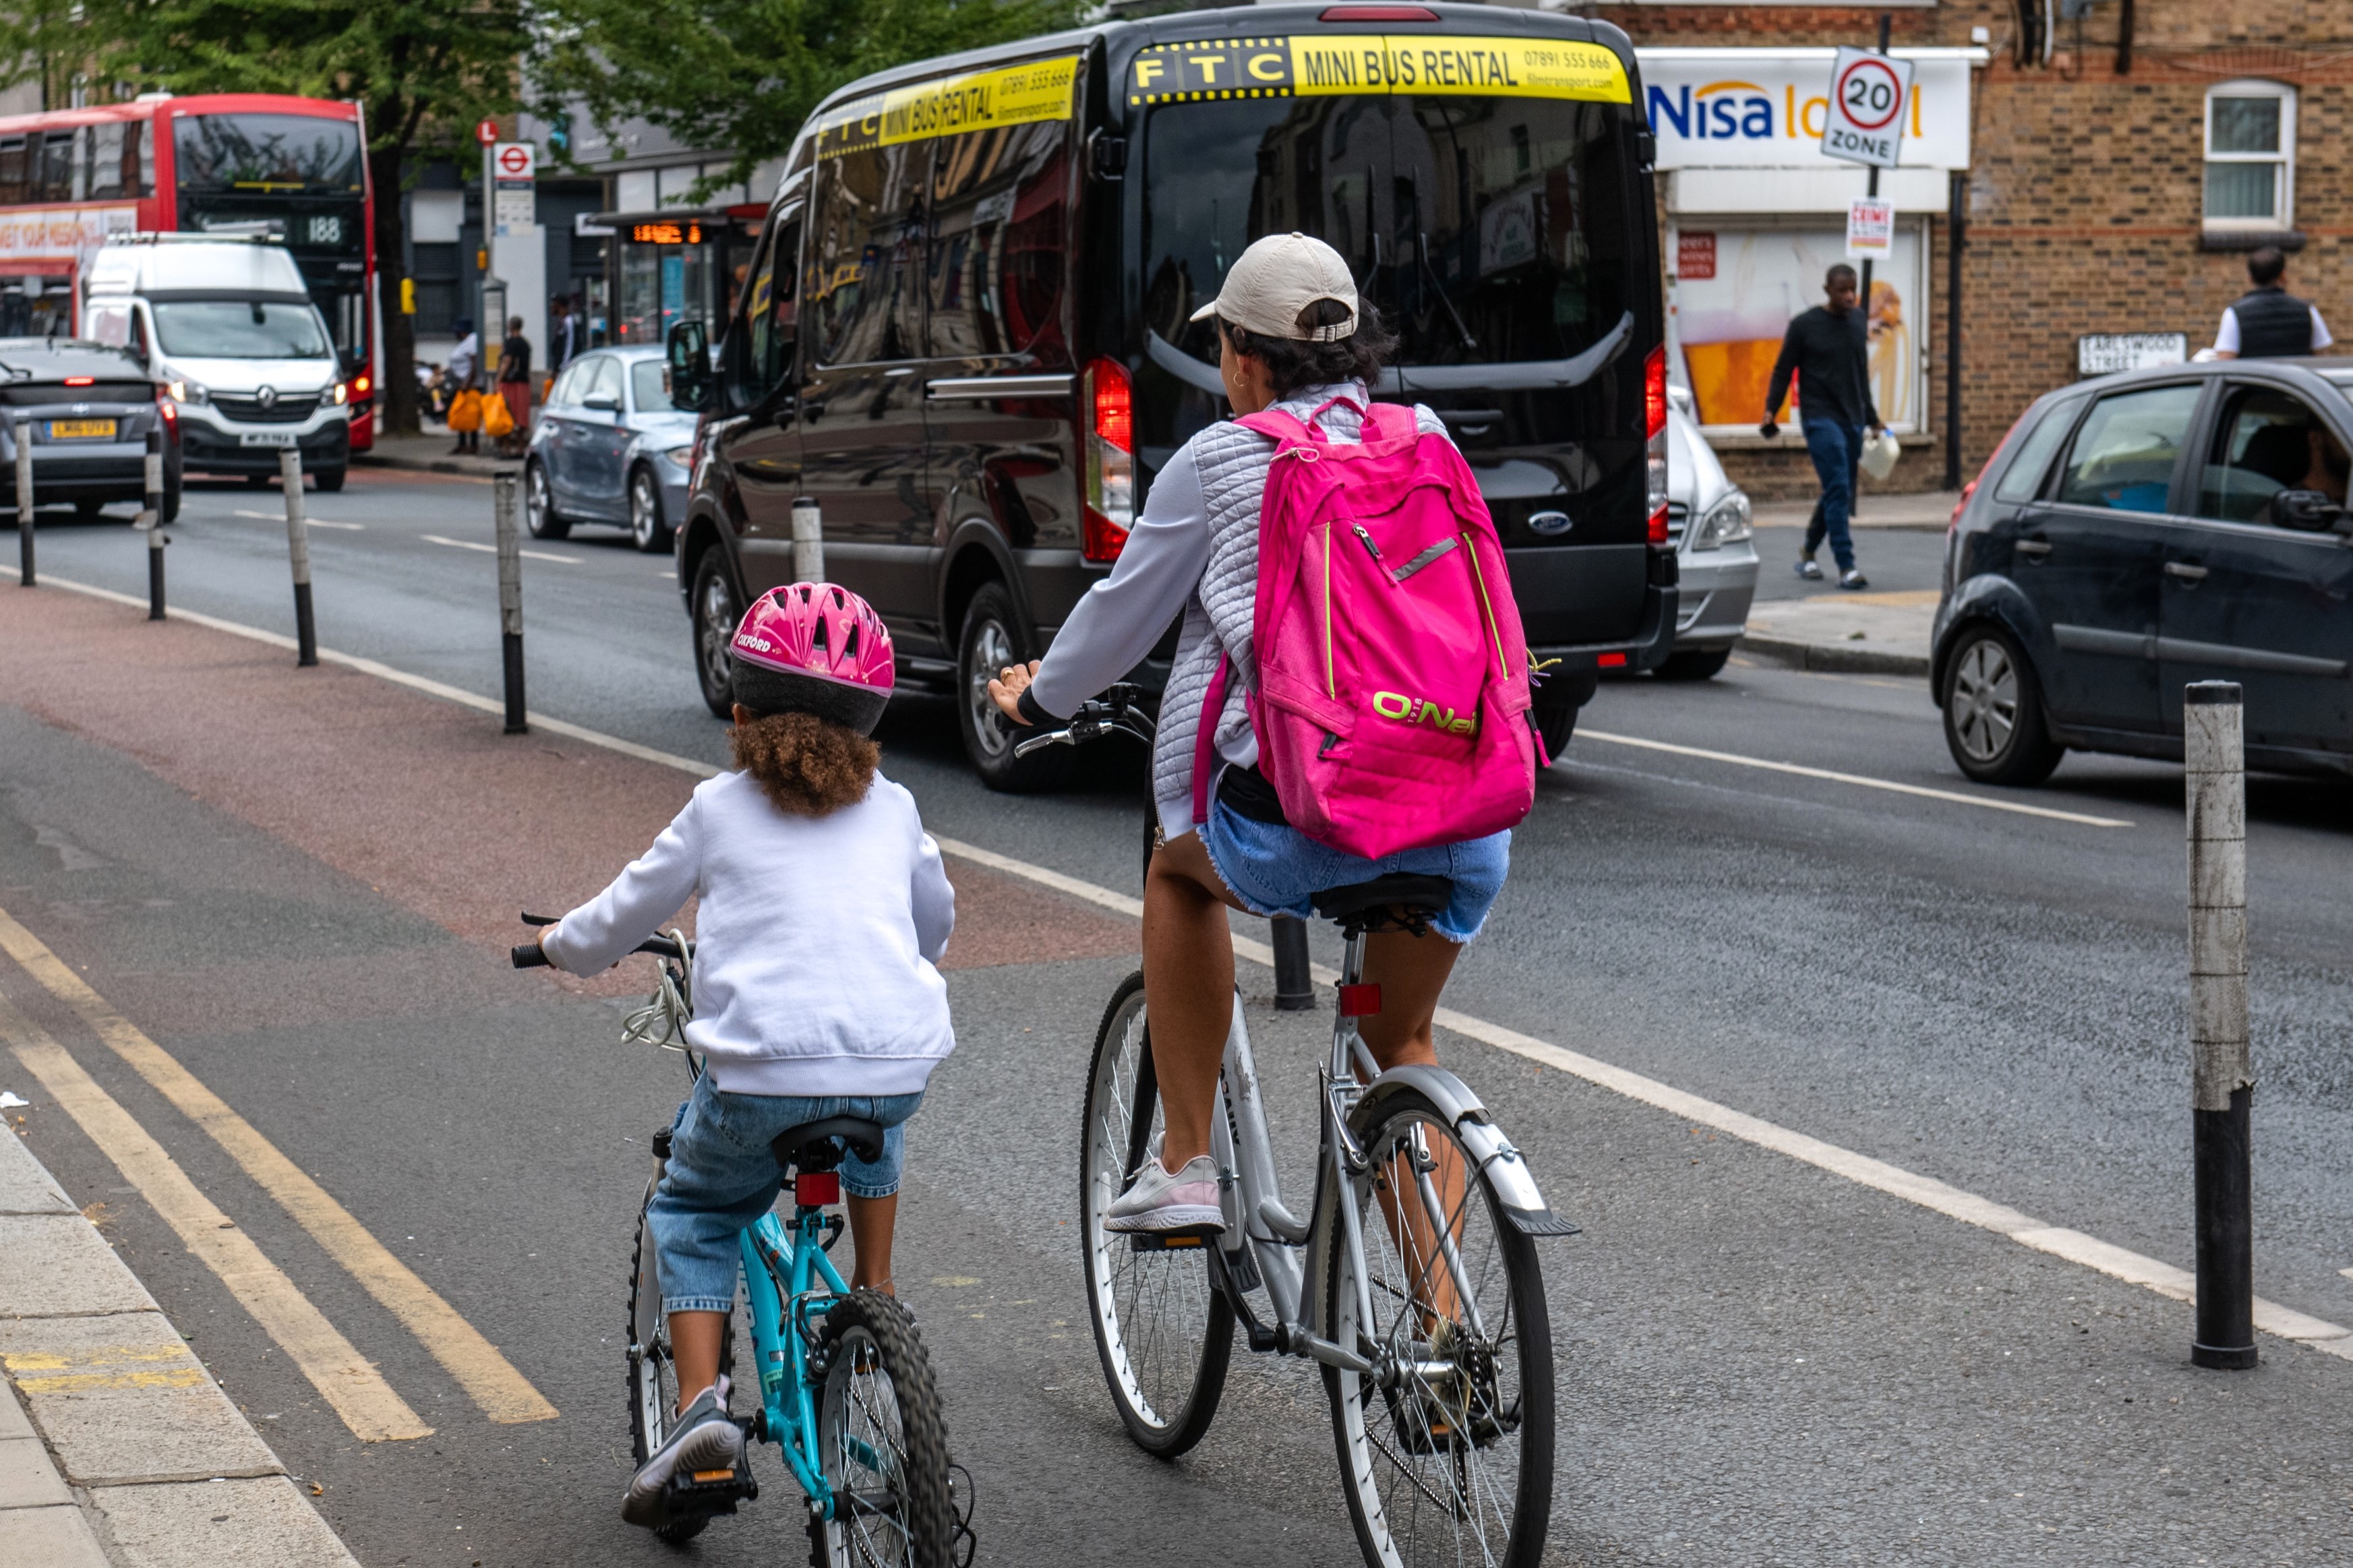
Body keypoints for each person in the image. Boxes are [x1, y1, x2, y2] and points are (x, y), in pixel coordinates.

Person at [986, 233, 1510, 1234]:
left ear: (1239, 354)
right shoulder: (1428, 437)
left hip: (1304, 817)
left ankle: (1185, 1160)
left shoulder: (1219, 460)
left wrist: (1036, 701)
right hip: (1464, 809)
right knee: (1399, 1045)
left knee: (1177, 875)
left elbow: (1116, 619)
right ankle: (1445, 1362)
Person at [534, 582, 953, 1525]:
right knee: (873, 1124)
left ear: (739, 714)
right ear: (871, 725)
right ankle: (878, 1297)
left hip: (760, 1071)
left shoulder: (717, 808)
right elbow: (935, 924)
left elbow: (623, 913)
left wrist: (563, 944)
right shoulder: (893, 806)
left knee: (693, 1208)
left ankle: (697, 1417)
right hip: (891, 1062)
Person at [1761, 264, 1882, 590]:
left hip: (1852, 418)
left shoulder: (1858, 322)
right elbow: (1783, 369)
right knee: (1840, 486)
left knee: (1835, 489)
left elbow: (1860, 374)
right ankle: (1847, 566)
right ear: (1827, 290)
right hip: (1819, 418)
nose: (1849, 296)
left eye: (1852, 290)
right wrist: (1771, 409)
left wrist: (1872, 418)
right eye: (1842, 290)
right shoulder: (1805, 326)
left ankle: (1808, 552)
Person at [2215, 246, 2333, 360]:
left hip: (2255, 380)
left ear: (2250, 278)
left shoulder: (2234, 314)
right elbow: (2321, 358)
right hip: (2294, 380)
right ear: (2283, 275)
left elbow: (2225, 361)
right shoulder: (2307, 311)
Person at [496, 315, 533, 458]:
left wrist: (498, 379)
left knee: (507, 415)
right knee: (521, 417)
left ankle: (506, 449)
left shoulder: (511, 342)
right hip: (523, 383)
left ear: (510, 326)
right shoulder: (525, 343)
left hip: (510, 384)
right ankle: (520, 448)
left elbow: (507, 360)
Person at [446, 318, 479, 456]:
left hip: (469, 385)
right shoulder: (464, 343)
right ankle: (462, 443)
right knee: (461, 414)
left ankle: (472, 444)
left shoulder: (472, 340)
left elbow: (474, 363)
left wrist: (468, 382)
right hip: (461, 383)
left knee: (470, 415)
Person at [548, 295, 580, 375]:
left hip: (565, 367)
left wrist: (565, 365)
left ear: (561, 307)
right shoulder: (561, 322)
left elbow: (570, 343)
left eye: (555, 305)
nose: (552, 307)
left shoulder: (569, 322)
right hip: (558, 367)